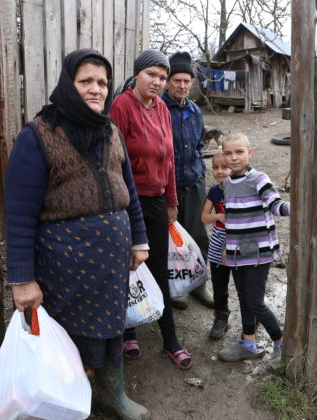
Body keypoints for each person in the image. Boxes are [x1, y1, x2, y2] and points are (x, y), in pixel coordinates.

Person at [4, 49, 150, 420]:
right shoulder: (37, 135)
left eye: (102, 82)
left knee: (113, 329)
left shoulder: (110, 131)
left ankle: (111, 395)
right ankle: (69, 402)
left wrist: (139, 238)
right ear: (68, 84)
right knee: (70, 339)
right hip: (64, 265)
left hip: (111, 261)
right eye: (86, 81)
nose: (96, 89)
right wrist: (22, 280)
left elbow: (128, 191)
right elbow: (19, 215)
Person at [110, 49, 193, 370]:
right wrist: (121, 207)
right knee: (127, 267)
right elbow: (113, 161)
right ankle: (128, 330)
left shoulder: (161, 108)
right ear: (137, 74)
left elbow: (169, 158)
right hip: (128, 202)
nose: (157, 82)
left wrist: (172, 200)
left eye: (162, 77)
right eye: (152, 75)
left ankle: (170, 339)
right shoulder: (122, 106)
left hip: (157, 201)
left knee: (159, 269)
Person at [217, 132, 289, 365]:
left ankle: (280, 343)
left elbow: (275, 205)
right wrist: (228, 248)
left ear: (249, 153)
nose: (234, 157)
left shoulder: (259, 179)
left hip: (259, 252)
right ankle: (248, 343)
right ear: (223, 155)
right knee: (243, 297)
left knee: (255, 301)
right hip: (237, 253)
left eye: (239, 152)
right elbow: (231, 219)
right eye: (228, 153)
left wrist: (295, 207)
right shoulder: (226, 184)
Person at [161, 51, 215, 310]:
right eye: (177, 81)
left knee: (197, 235)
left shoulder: (194, 110)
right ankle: (175, 287)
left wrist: (200, 173)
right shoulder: (158, 108)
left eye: (186, 81)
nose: (182, 86)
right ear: (168, 81)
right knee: (170, 237)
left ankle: (197, 284)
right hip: (166, 185)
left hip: (193, 182)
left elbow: (199, 143)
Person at [200, 152, 232, 339]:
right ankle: (221, 317)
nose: (219, 171)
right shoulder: (214, 191)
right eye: (215, 167)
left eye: (224, 167)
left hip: (238, 244)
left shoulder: (241, 190)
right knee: (219, 284)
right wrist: (218, 216)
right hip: (218, 242)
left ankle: (251, 318)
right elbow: (204, 217)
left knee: (244, 283)